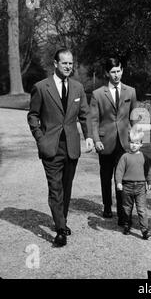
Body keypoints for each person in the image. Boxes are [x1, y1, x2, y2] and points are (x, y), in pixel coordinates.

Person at [27, 48, 94, 247]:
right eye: (64, 63)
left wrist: (88, 136)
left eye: (70, 63)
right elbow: (33, 116)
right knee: (55, 189)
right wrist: (40, 138)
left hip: (71, 146)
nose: (68, 67)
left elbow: (85, 115)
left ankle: (61, 221)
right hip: (51, 146)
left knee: (66, 187)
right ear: (55, 64)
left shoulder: (78, 88)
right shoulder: (41, 87)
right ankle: (60, 229)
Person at [90, 57, 137, 224]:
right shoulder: (97, 94)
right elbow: (94, 120)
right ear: (106, 73)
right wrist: (96, 140)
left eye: (118, 71)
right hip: (105, 140)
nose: (116, 75)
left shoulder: (130, 91)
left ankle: (122, 211)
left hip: (124, 140)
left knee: (121, 176)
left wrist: (135, 136)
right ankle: (107, 205)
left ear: (122, 70)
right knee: (106, 175)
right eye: (112, 72)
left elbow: (134, 116)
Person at [115, 131, 151, 239]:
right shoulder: (125, 157)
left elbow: (147, 171)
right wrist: (119, 182)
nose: (133, 145)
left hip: (140, 186)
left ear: (141, 144)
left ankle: (145, 230)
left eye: (136, 143)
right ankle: (127, 225)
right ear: (128, 142)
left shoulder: (143, 157)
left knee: (141, 209)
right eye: (131, 142)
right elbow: (119, 171)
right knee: (127, 208)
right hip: (127, 186)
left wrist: (149, 182)